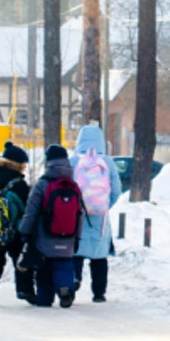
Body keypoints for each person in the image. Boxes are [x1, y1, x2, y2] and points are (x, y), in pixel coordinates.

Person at [19, 144, 85, 307]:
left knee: (45, 268)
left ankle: (45, 298)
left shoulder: (42, 184)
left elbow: (31, 211)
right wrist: (77, 236)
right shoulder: (74, 186)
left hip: (45, 236)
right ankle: (65, 288)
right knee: (64, 265)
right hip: (68, 236)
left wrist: (25, 231)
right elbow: (80, 214)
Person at [0, 142, 35, 306]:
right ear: (18, 164)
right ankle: (25, 290)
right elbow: (26, 207)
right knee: (21, 259)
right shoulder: (19, 184)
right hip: (14, 228)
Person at [71, 124, 122, 302]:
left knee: (76, 252)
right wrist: (104, 205)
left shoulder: (74, 162)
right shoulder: (107, 163)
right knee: (99, 257)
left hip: (77, 216)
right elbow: (116, 191)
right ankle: (99, 293)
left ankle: (73, 283)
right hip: (100, 219)